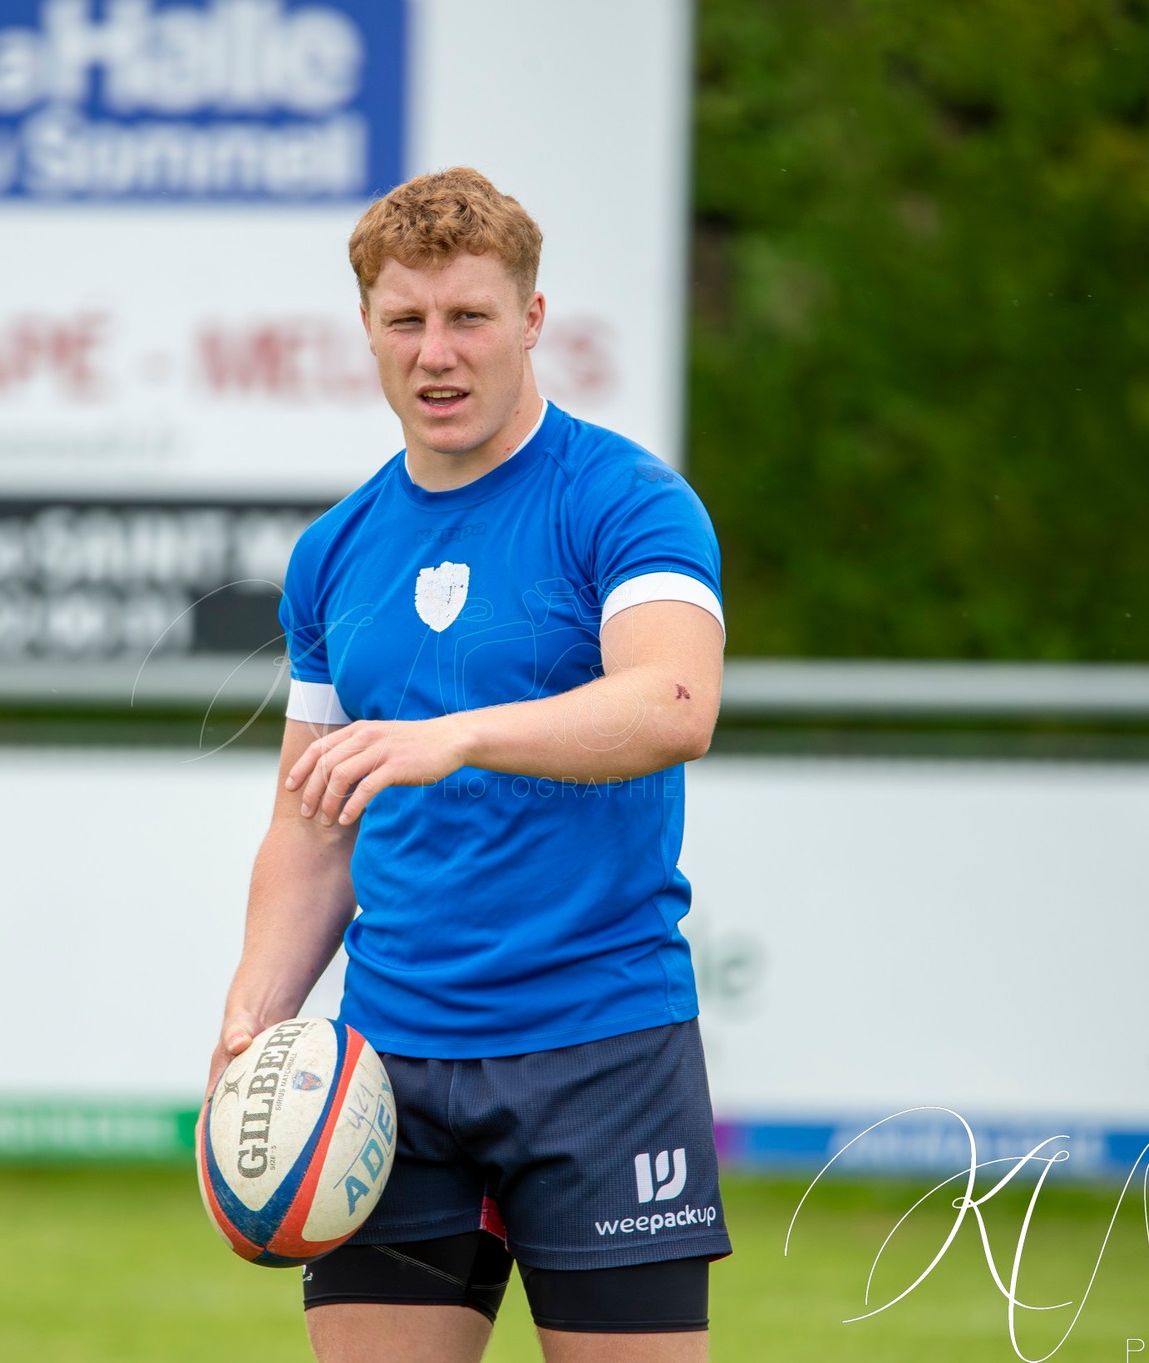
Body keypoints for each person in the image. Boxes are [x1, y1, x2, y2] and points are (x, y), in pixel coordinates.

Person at [208, 168, 730, 1363]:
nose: (435, 354)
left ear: (530, 321)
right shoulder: (335, 552)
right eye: (406, 320)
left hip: (600, 1047)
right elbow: (310, 824)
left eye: (467, 317)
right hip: (385, 1069)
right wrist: (254, 1016)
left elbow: (673, 699)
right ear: (369, 330)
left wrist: (463, 731)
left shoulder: (625, 503)